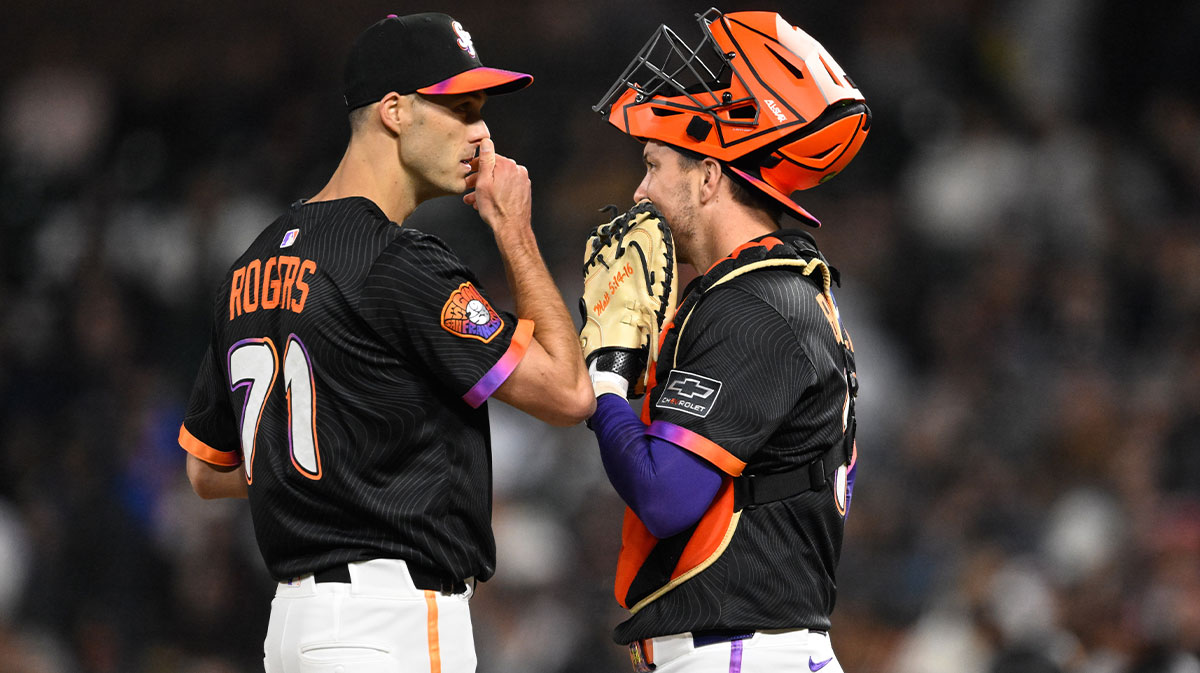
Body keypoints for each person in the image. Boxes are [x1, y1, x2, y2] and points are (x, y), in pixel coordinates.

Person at [176, 12, 593, 673]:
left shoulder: (250, 264)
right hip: (388, 622)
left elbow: (206, 470)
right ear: (395, 111)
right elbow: (569, 393)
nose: (480, 131)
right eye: (459, 107)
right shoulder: (397, 261)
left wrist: (335, 469)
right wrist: (514, 231)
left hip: (295, 629)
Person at [585, 9, 870, 672]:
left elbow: (666, 496)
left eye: (654, 164)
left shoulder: (756, 308)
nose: (639, 190)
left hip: (740, 653)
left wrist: (607, 380)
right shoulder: (761, 292)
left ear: (710, 175)